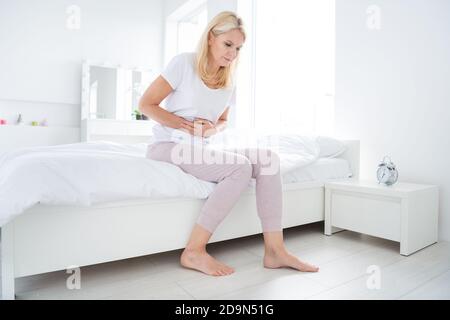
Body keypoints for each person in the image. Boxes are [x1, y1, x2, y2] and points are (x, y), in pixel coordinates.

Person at [139, 11, 319, 276]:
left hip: (201, 147)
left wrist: (212, 128)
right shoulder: (183, 64)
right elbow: (145, 104)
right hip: (169, 145)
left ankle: (275, 251)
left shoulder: (228, 81)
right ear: (211, 38)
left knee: (268, 159)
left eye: (238, 48)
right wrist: (182, 124)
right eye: (228, 45)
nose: (233, 53)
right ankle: (194, 251)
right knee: (240, 168)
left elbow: (223, 121)